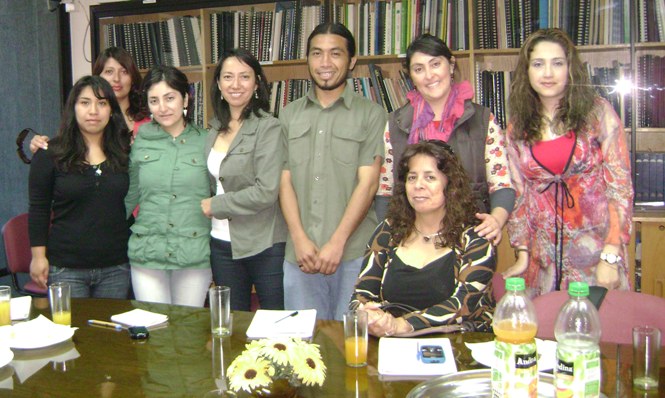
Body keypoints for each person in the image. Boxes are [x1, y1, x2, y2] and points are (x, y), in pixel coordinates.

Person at [502, 29, 633, 295]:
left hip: (596, 254)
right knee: (545, 332)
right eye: (538, 64)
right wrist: (523, 252)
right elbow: (518, 195)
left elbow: (620, 185)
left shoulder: (597, 113)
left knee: (595, 332)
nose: (547, 73)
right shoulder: (518, 127)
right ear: (527, 72)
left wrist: (611, 252)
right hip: (543, 260)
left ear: (570, 69)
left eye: (557, 63)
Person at [279, 22, 387, 320]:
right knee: (300, 351)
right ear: (308, 60)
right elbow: (284, 181)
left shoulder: (371, 114)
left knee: (351, 351)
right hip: (300, 255)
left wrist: (337, 243)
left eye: (335, 53)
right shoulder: (288, 114)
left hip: (353, 254)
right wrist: (299, 238)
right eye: (317, 53)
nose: (325, 63)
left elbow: (368, 184)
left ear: (351, 61)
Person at [378, 34, 514, 246]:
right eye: (419, 69)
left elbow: (501, 183)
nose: (429, 75)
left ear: (450, 66)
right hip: (411, 241)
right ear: (410, 76)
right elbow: (386, 190)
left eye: (435, 64)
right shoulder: (395, 124)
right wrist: (391, 236)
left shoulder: (482, 120)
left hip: (470, 239)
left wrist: (496, 219)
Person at [351, 140, 496, 336]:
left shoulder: (476, 237)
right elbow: (361, 294)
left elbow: (463, 305)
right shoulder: (388, 231)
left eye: (430, 177)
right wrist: (369, 315)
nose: (418, 185)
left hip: (460, 349)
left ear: (450, 185)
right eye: (412, 178)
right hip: (392, 347)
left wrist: (401, 325)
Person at [28, 75, 132, 298]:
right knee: (70, 331)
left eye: (102, 103)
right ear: (73, 108)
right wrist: (38, 257)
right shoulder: (50, 153)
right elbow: (39, 209)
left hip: (116, 266)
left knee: (110, 333)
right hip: (66, 267)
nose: (93, 110)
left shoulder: (124, 152)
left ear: (111, 110)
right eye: (85, 102)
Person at [200, 49, 287, 311]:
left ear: (257, 82)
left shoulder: (269, 127)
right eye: (228, 77)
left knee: (274, 326)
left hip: (264, 243)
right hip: (221, 244)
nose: (235, 85)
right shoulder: (214, 128)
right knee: (232, 325)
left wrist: (216, 205)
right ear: (218, 83)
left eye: (244, 77)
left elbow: (266, 191)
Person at [125, 65, 212, 307]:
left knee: (187, 329)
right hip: (147, 251)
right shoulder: (139, 141)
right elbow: (130, 195)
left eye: (169, 98)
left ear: (185, 98)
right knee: (155, 331)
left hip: (193, 252)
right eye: (154, 100)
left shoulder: (206, 141)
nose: (162, 108)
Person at [30, 47, 150, 152]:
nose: (116, 79)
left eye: (124, 72)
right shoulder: (88, 118)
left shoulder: (150, 119)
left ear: (132, 77)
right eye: (109, 72)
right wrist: (43, 146)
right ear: (97, 77)